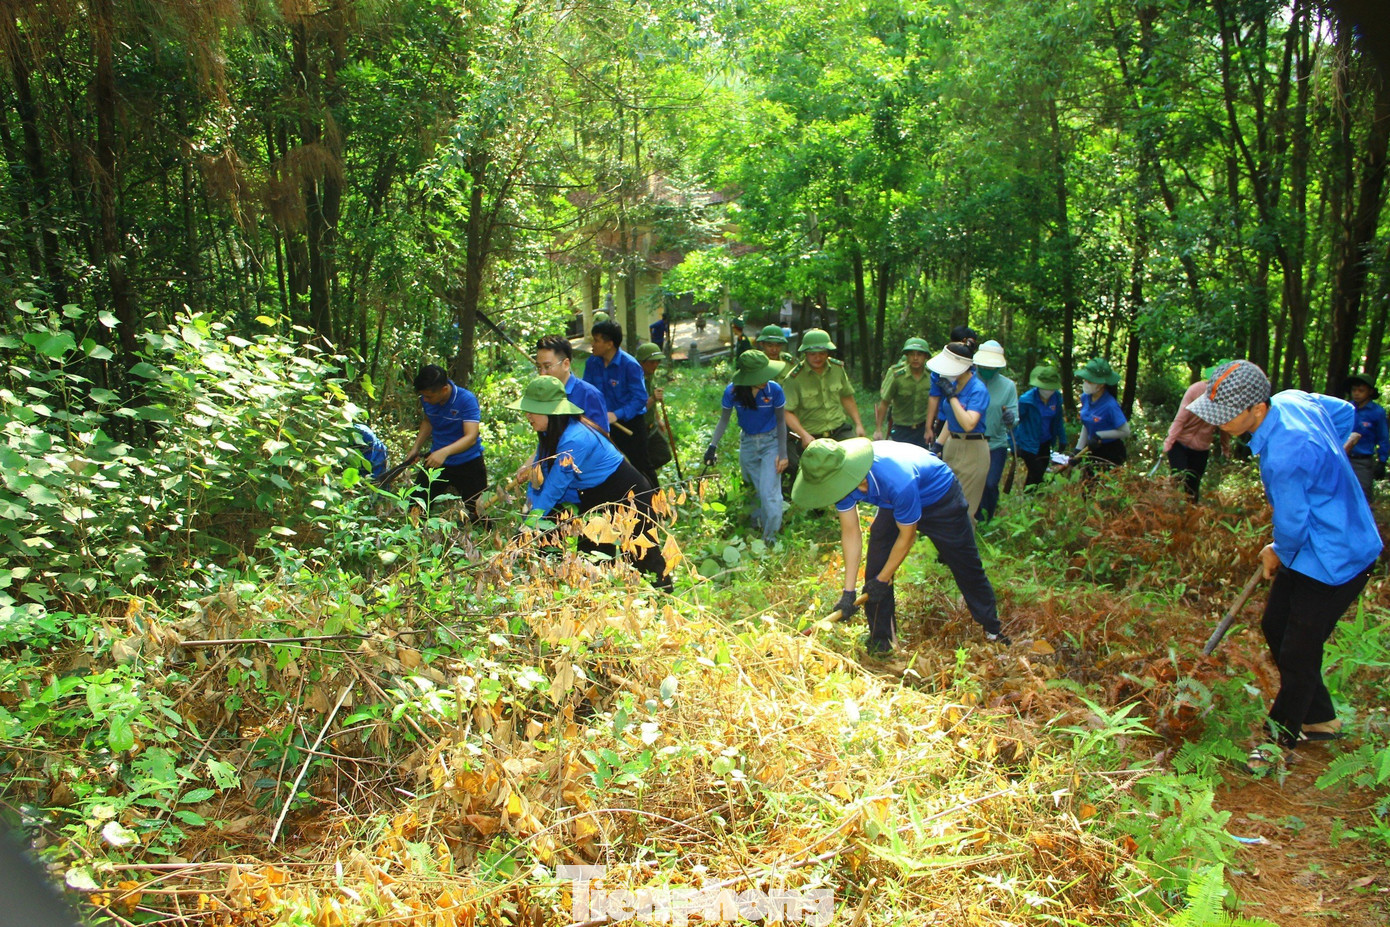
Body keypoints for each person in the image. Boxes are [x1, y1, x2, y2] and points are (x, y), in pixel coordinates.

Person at [1185, 360, 1382, 773]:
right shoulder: (1293, 400)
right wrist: (1330, 457)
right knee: (1275, 626)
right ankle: (1321, 719)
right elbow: (1344, 414)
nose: (1220, 425)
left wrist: (1275, 548)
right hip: (1311, 549)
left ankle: (1278, 743)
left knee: (1298, 650)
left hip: (1337, 556)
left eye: (1227, 418)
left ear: (1257, 409)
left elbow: (1291, 527)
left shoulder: (1284, 454)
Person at [792, 438, 1008, 655]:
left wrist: (883, 580)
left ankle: (992, 629)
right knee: (877, 562)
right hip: (893, 502)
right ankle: (882, 641)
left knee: (966, 565)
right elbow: (850, 532)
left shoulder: (897, 480)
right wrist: (848, 592)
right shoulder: (840, 486)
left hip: (940, 498)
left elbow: (907, 537)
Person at [511, 376, 669, 587]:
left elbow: (554, 488)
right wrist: (530, 510)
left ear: (551, 411)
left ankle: (664, 601)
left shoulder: (575, 439)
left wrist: (529, 525)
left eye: (533, 410)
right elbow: (541, 475)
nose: (527, 415)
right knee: (592, 558)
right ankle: (594, 603)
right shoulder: (549, 433)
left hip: (628, 493)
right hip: (594, 496)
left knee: (643, 555)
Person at [704, 350, 789, 545]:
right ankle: (756, 527)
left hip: (771, 442)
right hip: (748, 443)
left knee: (770, 493)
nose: (766, 379)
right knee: (753, 489)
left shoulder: (774, 390)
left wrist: (783, 454)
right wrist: (712, 446)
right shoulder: (733, 392)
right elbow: (724, 420)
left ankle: (771, 540)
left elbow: (781, 420)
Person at [782, 328, 867, 475]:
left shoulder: (837, 369)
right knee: (815, 473)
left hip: (838, 429)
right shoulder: (794, 378)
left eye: (822, 353)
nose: (818, 357)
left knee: (857, 460)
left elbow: (847, 396)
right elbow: (787, 411)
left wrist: (858, 424)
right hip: (812, 435)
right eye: (813, 354)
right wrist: (803, 435)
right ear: (805, 353)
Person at [408, 364, 487, 517]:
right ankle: (415, 538)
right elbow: (428, 421)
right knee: (416, 506)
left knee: (478, 512)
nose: (425, 400)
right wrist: (415, 448)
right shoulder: (427, 399)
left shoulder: (466, 400)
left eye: (429, 396)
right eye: (423, 396)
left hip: (468, 463)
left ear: (444, 389)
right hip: (436, 461)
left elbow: (471, 437)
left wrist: (444, 452)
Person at [584, 320, 654, 486]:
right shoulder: (592, 363)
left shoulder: (629, 365)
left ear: (609, 344)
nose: (592, 344)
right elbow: (587, 391)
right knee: (610, 467)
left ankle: (657, 504)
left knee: (641, 465)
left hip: (630, 424)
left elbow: (640, 399)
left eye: (596, 340)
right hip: (602, 423)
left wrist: (617, 414)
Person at [928, 342, 991, 519]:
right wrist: (938, 445)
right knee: (946, 502)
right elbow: (952, 419)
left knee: (964, 509)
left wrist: (952, 398)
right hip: (952, 445)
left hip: (973, 448)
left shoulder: (977, 390)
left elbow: (969, 423)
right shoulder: (955, 386)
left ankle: (964, 545)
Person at [1164, 362, 1230, 503]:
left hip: (1201, 448)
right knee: (1178, 476)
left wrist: (1226, 448)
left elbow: (1225, 427)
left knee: (1193, 486)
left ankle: (1190, 516)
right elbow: (1180, 418)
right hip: (1179, 443)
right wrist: (1169, 441)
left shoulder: (1225, 400)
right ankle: (1167, 507)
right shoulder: (1196, 390)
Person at [975, 340, 1018, 521]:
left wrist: (1010, 418)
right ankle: (972, 516)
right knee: (973, 482)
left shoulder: (1008, 386)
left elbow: (1014, 416)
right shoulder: (969, 380)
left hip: (996, 443)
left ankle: (988, 518)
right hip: (971, 442)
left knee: (991, 483)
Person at [535, 334, 608, 435]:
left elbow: (602, 440)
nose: (542, 373)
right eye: (539, 367)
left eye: (547, 366)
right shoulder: (544, 395)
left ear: (566, 364)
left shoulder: (589, 395)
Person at [923, 324, 980, 450]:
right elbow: (934, 396)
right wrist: (929, 427)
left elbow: (969, 421)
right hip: (945, 421)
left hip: (969, 430)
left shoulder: (975, 380)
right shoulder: (940, 368)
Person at [1013, 366, 1068, 488]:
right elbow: (1015, 422)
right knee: (1037, 472)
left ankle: (1028, 500)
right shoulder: (1026, 400)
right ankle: (1035, 497)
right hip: (1028, 443)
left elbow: (1058, 419)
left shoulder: (1057, 398)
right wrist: (1014, 445)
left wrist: (1062, 439)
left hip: (1045, 442)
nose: (1048, 391)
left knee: (1037, 473)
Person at [873, 337, 933, 449]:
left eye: (919, 354)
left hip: (922, 428)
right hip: (901, 428)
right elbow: (885, 402)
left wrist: (929, 429)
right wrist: (878, 429)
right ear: (906, 356)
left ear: (925, 356)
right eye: (911, 354)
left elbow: (933, 403)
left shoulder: (931, 376)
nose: (915, 358)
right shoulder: (897, 376)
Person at [1073, 358, 1129, 470]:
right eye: (1085, 380)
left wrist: (1100, 435)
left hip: (1110, 453)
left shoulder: (1110, 405)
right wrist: (1078, 450)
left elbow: (1125, 431)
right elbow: (1087, 424)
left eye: (1090, 381)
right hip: (1091, 449)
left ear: (1101, 384)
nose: (1086, 383)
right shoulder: (1085, 398)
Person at [1342, 373, 1388, 502]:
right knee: (1340, 494)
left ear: (1370, 392)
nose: (1356, 393)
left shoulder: (1377, 412)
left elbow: (1383, 438)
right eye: (1354, 390)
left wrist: (1382, 461)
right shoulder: (1346, 408)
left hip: (1363, 461)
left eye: (1361, 390)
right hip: (1343, 458)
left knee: (1362, 496)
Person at [635, 342, 673, 479]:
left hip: (652, 426)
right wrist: (653, 398)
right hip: (639, 428)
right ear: (642, 362)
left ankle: (643, 472)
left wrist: (658, 419)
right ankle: (642, 476)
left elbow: (652, 400)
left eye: (657, 362)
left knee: (664, 454)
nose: (655, 365)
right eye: (652, 362)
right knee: (644, 464)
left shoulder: (650, 376)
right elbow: (636, 409)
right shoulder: (635, 379)